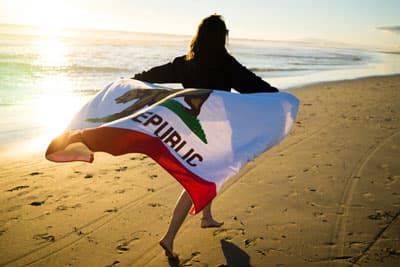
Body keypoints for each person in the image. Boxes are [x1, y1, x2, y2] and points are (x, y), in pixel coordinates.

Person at [132, 14, 278, 259]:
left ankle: (207, 217)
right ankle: (168, 238)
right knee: (200, 180)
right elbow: (252, 84)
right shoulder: (226, 64)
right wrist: (276, 96)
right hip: (217, 133)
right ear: (222, 38)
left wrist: (133, 80)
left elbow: (154, 74)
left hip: (191, 130)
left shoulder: (186, 63)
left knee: (210, 172)